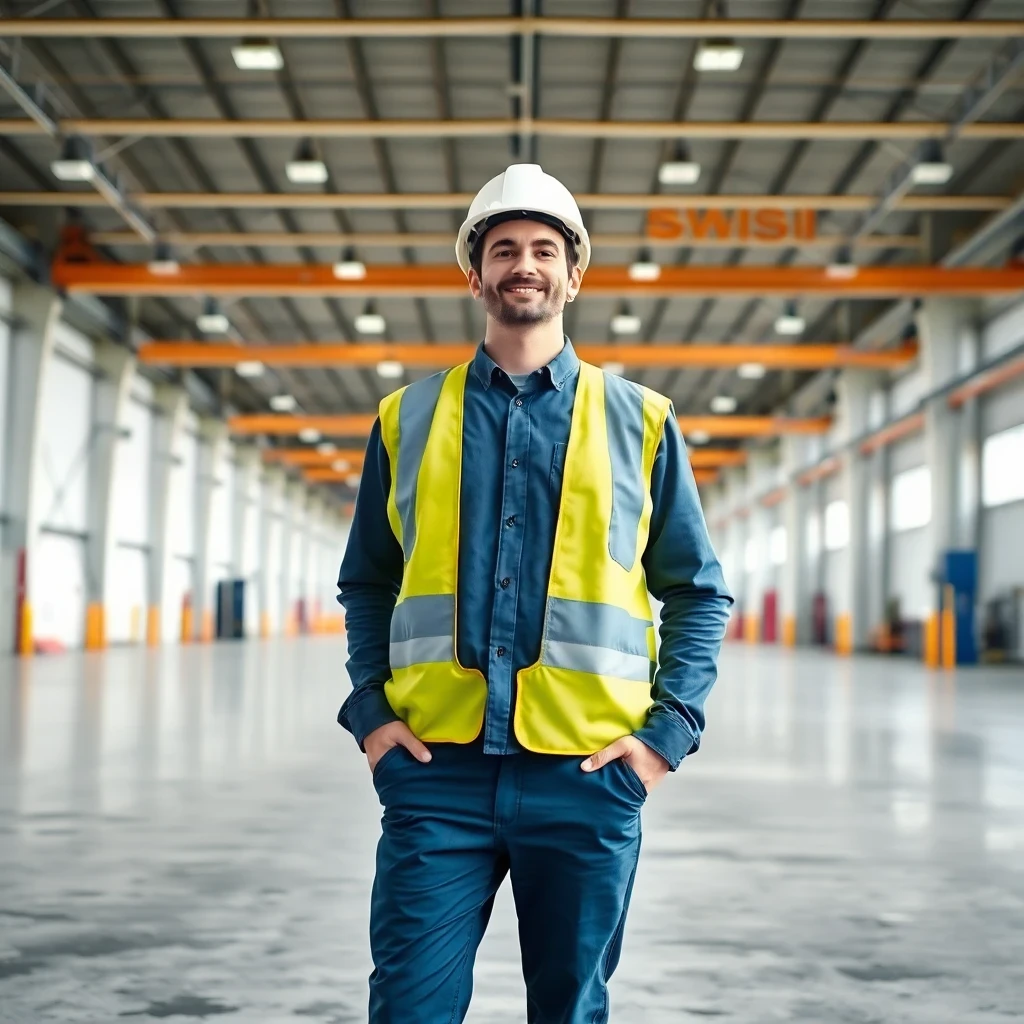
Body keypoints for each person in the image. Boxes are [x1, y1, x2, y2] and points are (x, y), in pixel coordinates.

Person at [337, 163, 732, 1024]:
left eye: (544, 249)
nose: (525, 264)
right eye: (505, 248)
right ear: (473, 273)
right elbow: (368, 578)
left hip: (585, 776)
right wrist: (371, 716)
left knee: (568, 1008)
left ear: (574, 274)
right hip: (438, 770)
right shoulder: (405, 418)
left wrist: (665, 738)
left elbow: (698, 593)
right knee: (408, 1006)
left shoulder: (643, 421)